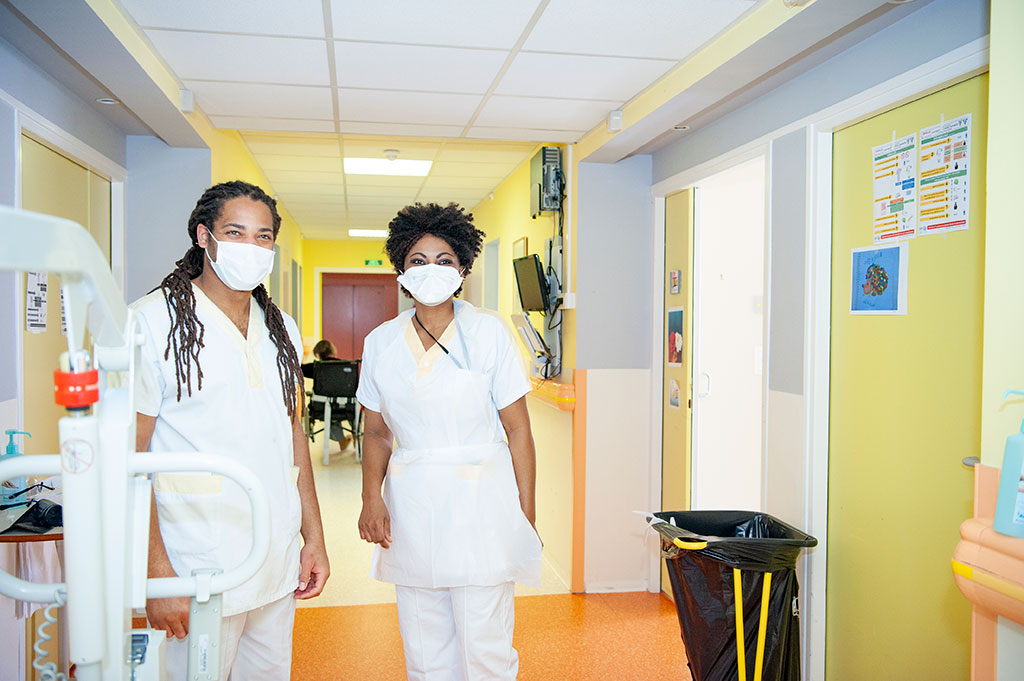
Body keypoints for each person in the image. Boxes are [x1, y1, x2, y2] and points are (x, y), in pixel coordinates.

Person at [132, 181, 329, 680]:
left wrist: (315, 537)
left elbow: (293, 437)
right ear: (204, 237)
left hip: (274, 558)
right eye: (235, 232)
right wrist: (156, 574)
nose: (251, 246)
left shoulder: (280, 325)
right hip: (195, 562)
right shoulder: (152, 322)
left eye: (263, 236)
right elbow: (128, 457)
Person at [357, 202, 542, 681]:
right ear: (401, 268)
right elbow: (375, 431)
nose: (431, 270)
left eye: (444, 260)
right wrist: (369, 498)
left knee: (486, 646)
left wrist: (526, 511)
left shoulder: (487, 332)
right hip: (412, 507)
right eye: (418, 260)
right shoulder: (380, 341)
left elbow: (518, 427)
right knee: (423, 646)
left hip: (483, 504)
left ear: (462, 268)